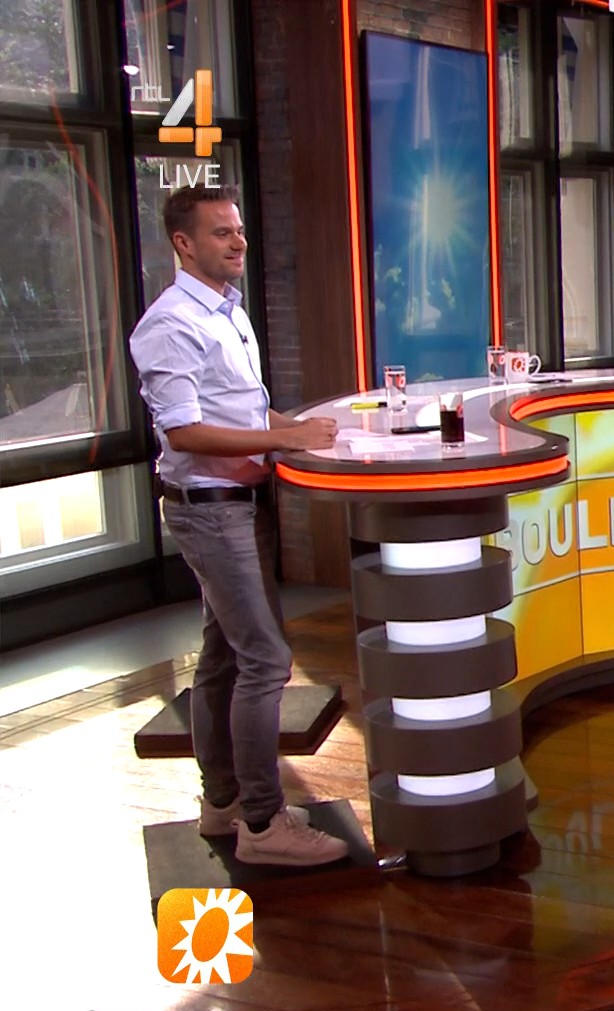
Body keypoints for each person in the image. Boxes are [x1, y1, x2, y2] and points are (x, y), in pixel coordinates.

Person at [129, 186, 349, 866]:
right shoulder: (171, 324)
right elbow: (187, 432)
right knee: (265, 660)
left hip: (239, 504)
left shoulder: (228, 311)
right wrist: (283, 439)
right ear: (184, 243)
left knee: (224, 657)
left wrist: (299, 427)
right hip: (209, 509)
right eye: (221, 232)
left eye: (239, 230)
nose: (238, 242)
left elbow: (238, 410)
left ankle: (222, 803)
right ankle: (262, 824)